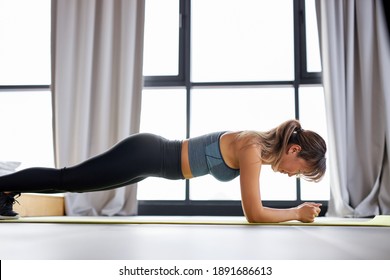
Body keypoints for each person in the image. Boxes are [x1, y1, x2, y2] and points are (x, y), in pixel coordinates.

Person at [0, 119, 326, 223]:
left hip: (149, 164)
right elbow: (253, 213)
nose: (293, 175)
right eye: (301, 170)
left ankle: (4, 192)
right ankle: (2, 184)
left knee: (74, 184)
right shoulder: (252, 148)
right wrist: (296, 212)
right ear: (294, 150)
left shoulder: (257, 152)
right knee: (68, 180)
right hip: (146, 154)